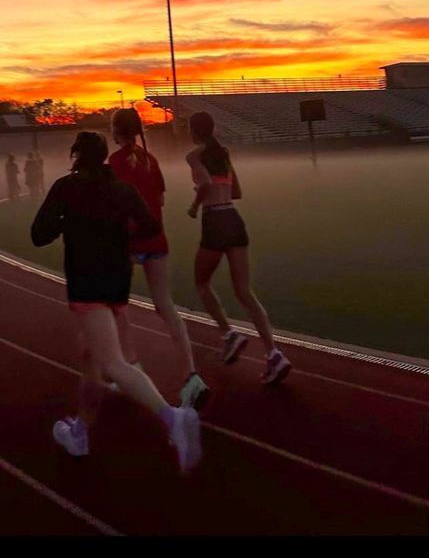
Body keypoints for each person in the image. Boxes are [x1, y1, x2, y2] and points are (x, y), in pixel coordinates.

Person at [31, 131, 202, 472]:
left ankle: (172, 417)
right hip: (117, 280)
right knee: (90, 357)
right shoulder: (123, 189)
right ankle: (80, 430)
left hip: (86, 282)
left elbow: (38, 235)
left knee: (110, 362)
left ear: (76, 155)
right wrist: (121, 233)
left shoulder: (67, 188)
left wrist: (69, 222)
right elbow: (151, 225)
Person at [109, 108, 209, 410]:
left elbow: (113, 205)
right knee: (166, 306)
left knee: (117, 306)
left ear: (116, 131)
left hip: (126, 243)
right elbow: (161, 199)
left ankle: (131, 367)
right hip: (156, 239)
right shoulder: (151, 161)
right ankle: (191, 375)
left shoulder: (113, 163)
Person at [186, 111, 291, 384]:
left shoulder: (194, 157)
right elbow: (237, 192)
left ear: (193, 132)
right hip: (233, 218)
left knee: (201, 282)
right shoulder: (224, 153)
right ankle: (273, 354)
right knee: (244, 291)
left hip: (215, 220)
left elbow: (206, 184)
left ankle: (229, 334)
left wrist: (195, 204)